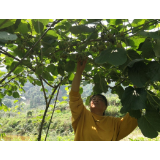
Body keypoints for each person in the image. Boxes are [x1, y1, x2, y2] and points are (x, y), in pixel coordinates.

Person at [69, 58, 138, 141]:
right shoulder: (82, 115)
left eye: (100, 99)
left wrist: (137, 86)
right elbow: (74, 95)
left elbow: (132, 117)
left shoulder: (114, 123)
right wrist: (79, 73)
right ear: (89, 105)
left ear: (105, 107)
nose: (96, 100)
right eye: (93, 99)